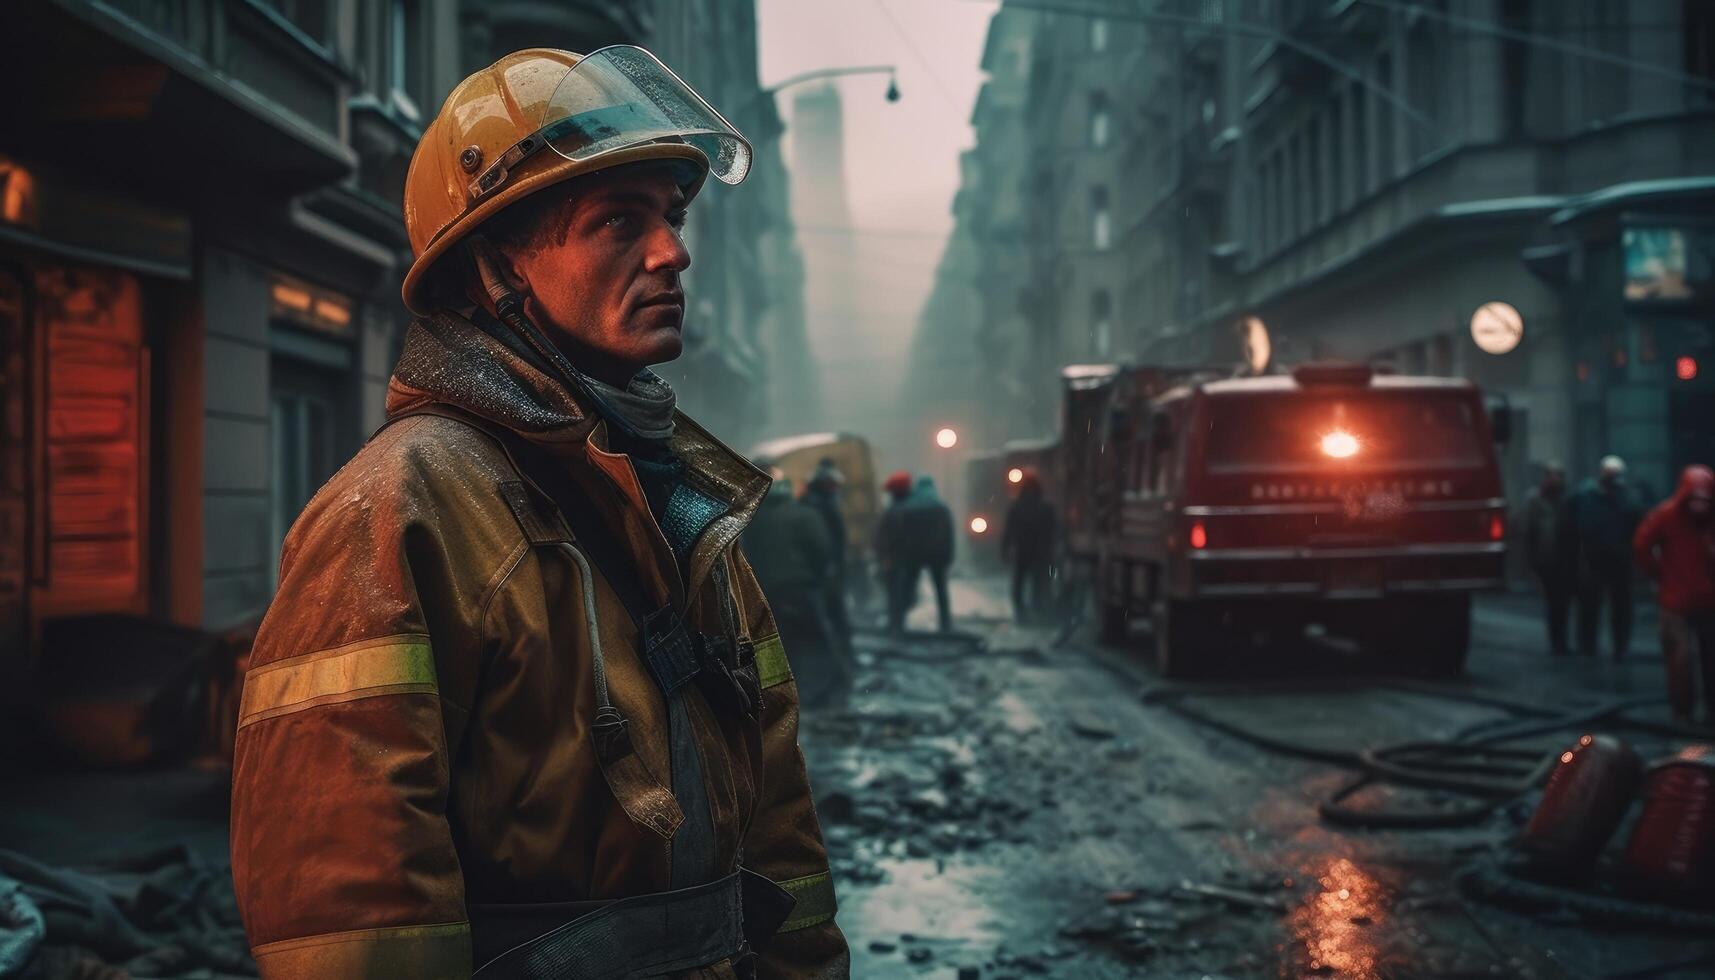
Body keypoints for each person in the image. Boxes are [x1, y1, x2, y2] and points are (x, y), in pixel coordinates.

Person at [228, 48, 847, 978]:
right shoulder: (397, 510)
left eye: (672, 217)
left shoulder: (682, 506)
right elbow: (352, 918)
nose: (673, 250)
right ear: (492, 268)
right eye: (615, 221)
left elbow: (778, 823)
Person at [743, 475, 847, 709]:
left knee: (771, 643)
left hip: (766, 591)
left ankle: (774, 695)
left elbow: (746, 555)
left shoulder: (753, 520)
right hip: (801, 589)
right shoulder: (805, 516)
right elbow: (822, 550)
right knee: (816, 640)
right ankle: (819, 694)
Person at [1633, 465, 1715, 728]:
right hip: (1676, 600)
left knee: (1711, 658)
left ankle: (1708, 710)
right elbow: (1641, 545)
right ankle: (1682, 711)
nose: (1699, 507)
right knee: (1680, 658)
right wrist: (1659, 574)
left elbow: (1642, 546)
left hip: (1706, 600)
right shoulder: (1666, 515)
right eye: (1695, 500)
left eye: (1705, 501)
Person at [1566, 455, 1644, 660]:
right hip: (1594, 557)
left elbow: (1637, 525)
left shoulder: (1628, 497)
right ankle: (1588, 645)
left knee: (1621, 605)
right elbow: (1572, 526)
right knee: (1590, 604)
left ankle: (1619, 646)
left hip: (1619, 558)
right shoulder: (1585, 496)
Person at [1519, 462, 1573, 655]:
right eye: (1552, 475)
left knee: (1563, 603)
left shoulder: (1566, 501)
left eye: (1559, 475)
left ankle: (1561, 640)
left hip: (1564, 560)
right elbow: (1527, 533)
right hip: (1545, 560)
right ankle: (1556, 641)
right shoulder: (1536, 502)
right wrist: (1529, 563)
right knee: (1553, 602)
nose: (1556, 479)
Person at [801, 459, 852, 657]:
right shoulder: (819, 503)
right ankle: (839, 656)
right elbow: (824, 538)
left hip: (826, 564)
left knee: (830, 611)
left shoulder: (816, 500)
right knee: (832, 611)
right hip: (824, 566)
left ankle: (838, 655)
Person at [893, 476, 956, 634]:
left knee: (906, 588)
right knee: (940, 590)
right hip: (937, 555)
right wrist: (948, 556)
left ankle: (898, 624)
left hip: (914, 554)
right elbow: (948, 535)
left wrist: (901, 554)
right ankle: (945, 624)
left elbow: (901, 533)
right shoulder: (941, 508)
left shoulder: (910, 507)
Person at [1001, 469, 1057, 625]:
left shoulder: (1017, 507)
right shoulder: (1046, 507)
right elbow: (1053, 531)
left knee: (1020, 585)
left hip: (1023, 551)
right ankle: (1037, 613)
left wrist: (1005, 550)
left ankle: (1022, 614)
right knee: (1038, 585)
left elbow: (1009, 531)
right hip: (1039, 552)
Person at [875, 470, 916, 634]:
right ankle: (898, 625)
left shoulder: (892, 512)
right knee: (902, 593)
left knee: (895, 594)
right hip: (904, 559)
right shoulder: (908, 510)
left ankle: (896, 625)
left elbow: (882, 537)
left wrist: (882, 556)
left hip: (894, 559)